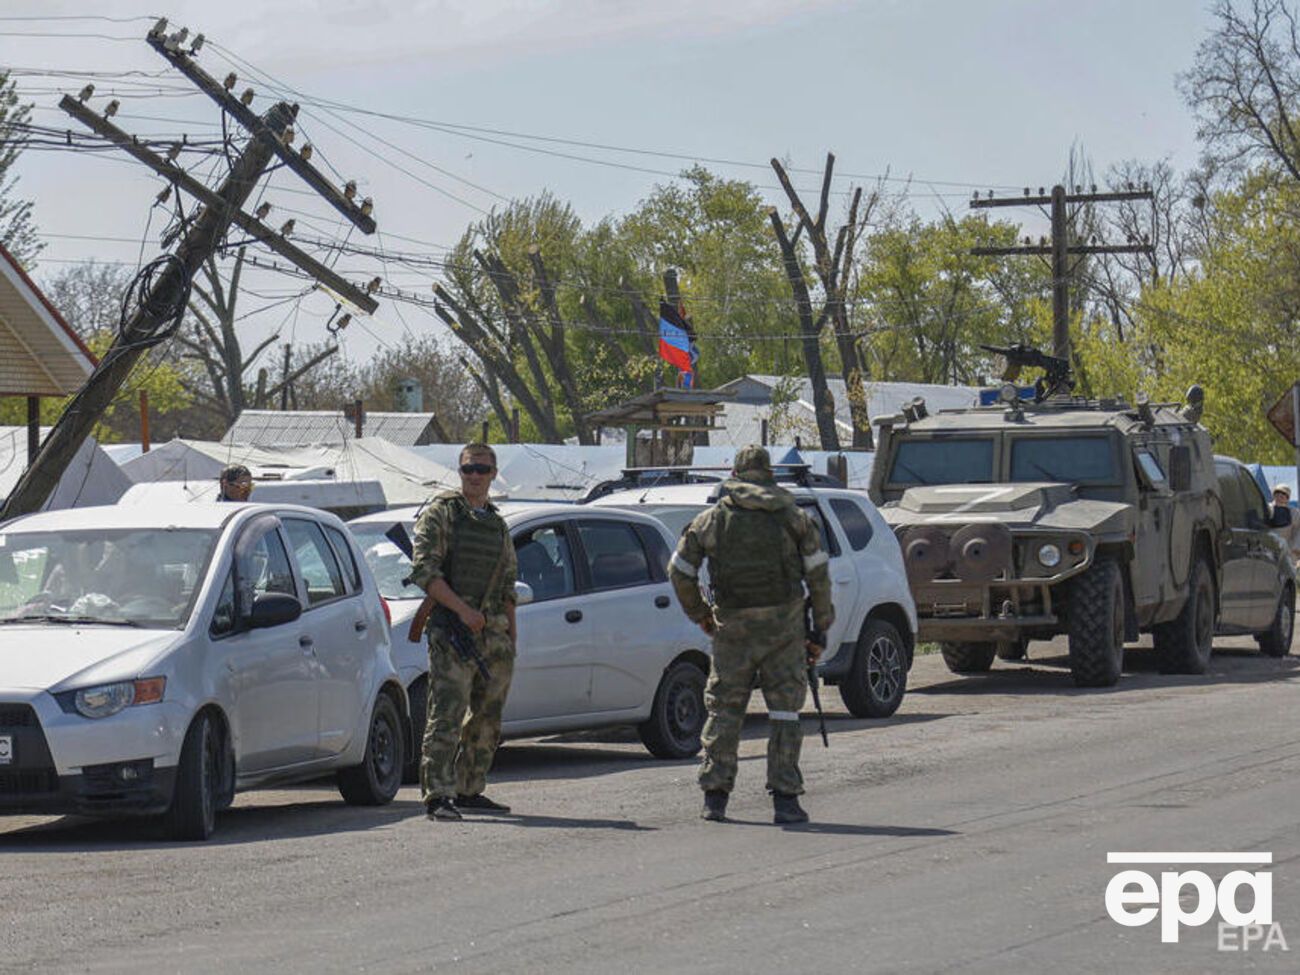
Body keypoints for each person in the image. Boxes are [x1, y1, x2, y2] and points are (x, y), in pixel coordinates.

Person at [667, 444, 834, 825]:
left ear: (735, 475)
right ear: (769, 473)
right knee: (784, 712)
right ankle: (785, 800)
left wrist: (701, 615)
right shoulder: (794, 518)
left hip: (732, 630)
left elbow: (679, 572)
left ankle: (715, 797)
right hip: (784, 629)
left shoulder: (711, 520)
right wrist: (820, 629)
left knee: (725, 709)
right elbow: (819, 577)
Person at [408, 443, 518, 822]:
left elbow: (507, 587)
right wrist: (462, 611)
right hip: (452, 631)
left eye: (482, 469)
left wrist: (510, 640)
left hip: (493, 635)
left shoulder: (497, 523)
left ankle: (470, 787)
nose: (475, 476)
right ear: (460, 472)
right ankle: (438, 793)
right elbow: (425, 572)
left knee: (488, 716)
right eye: (469, 469)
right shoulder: (442, 514)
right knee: (448, 713)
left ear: (493, 473)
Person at [1272, 484, 1300, 564]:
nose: (1279, 497)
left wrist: (1295, 548)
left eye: (1283, 495)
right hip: (1269, 548)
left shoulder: (1294, 513)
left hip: (1287, 549)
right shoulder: (1267, 509)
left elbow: (1298, 531)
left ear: (1287, 498)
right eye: (1277, 495)